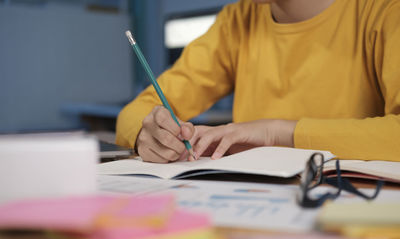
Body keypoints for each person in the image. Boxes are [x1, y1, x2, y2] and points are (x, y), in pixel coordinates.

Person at [116, 0, 400, 163]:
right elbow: (137, 111)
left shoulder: (385, 11)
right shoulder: (237, 21)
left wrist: (276, 133)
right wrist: (148, 132)